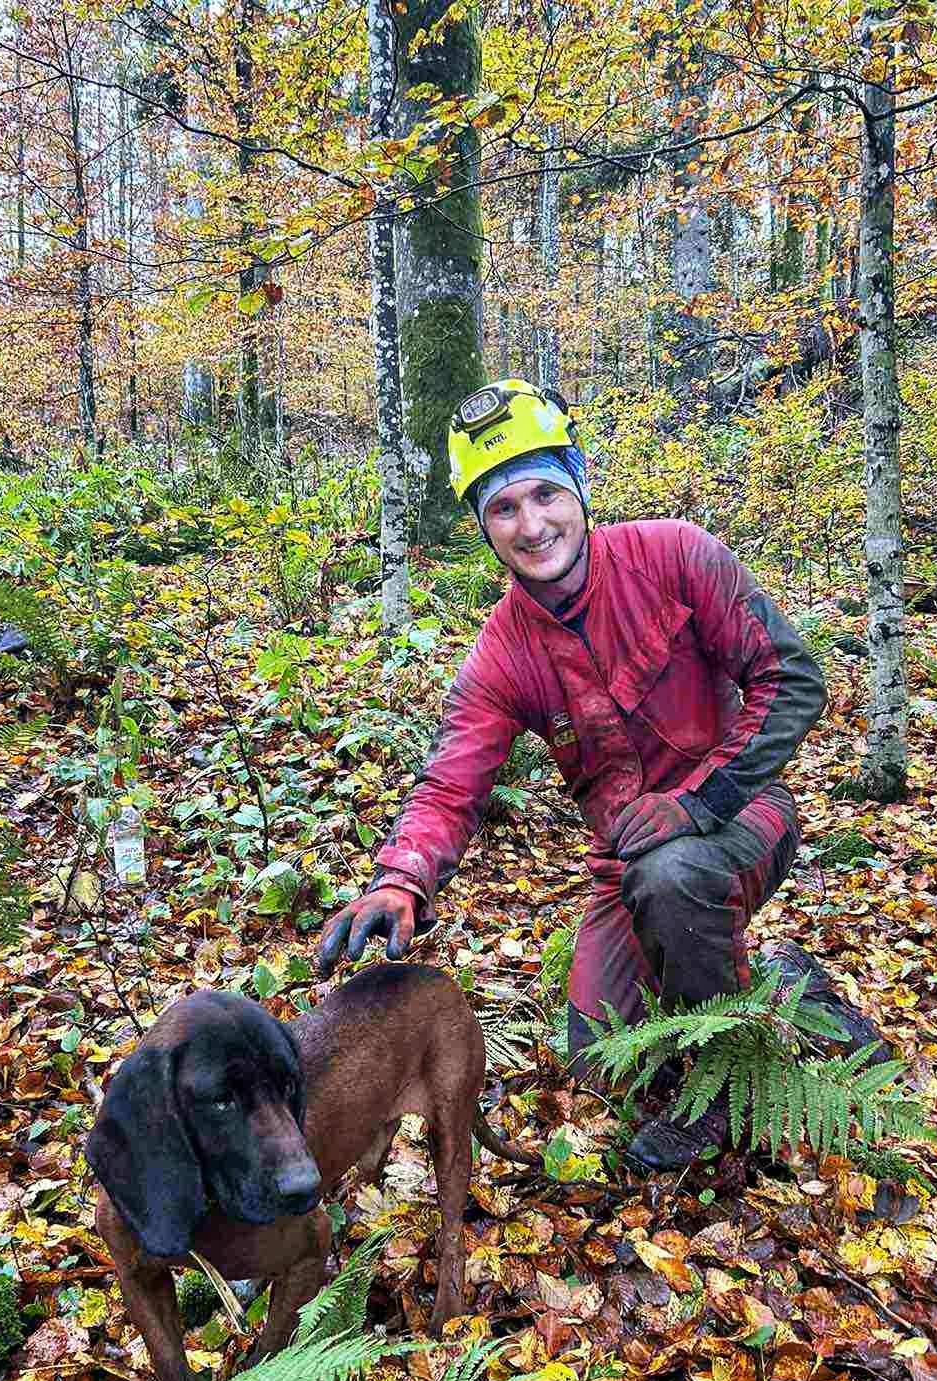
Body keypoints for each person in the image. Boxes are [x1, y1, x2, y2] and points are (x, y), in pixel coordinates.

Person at [317, 378, 837, 1169]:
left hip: (744, 813)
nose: (532, 526)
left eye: (544, 494)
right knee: (601, 1063)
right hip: (623, 863)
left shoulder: (675, 556)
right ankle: (778, 981)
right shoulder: (503, 653)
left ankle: (730, 1090)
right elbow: (452, 782)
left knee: (674, 875)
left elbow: (793, 681)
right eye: (503, 508)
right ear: (481, 526)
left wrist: (701, 801)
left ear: (580, 486)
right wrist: (401, 879)